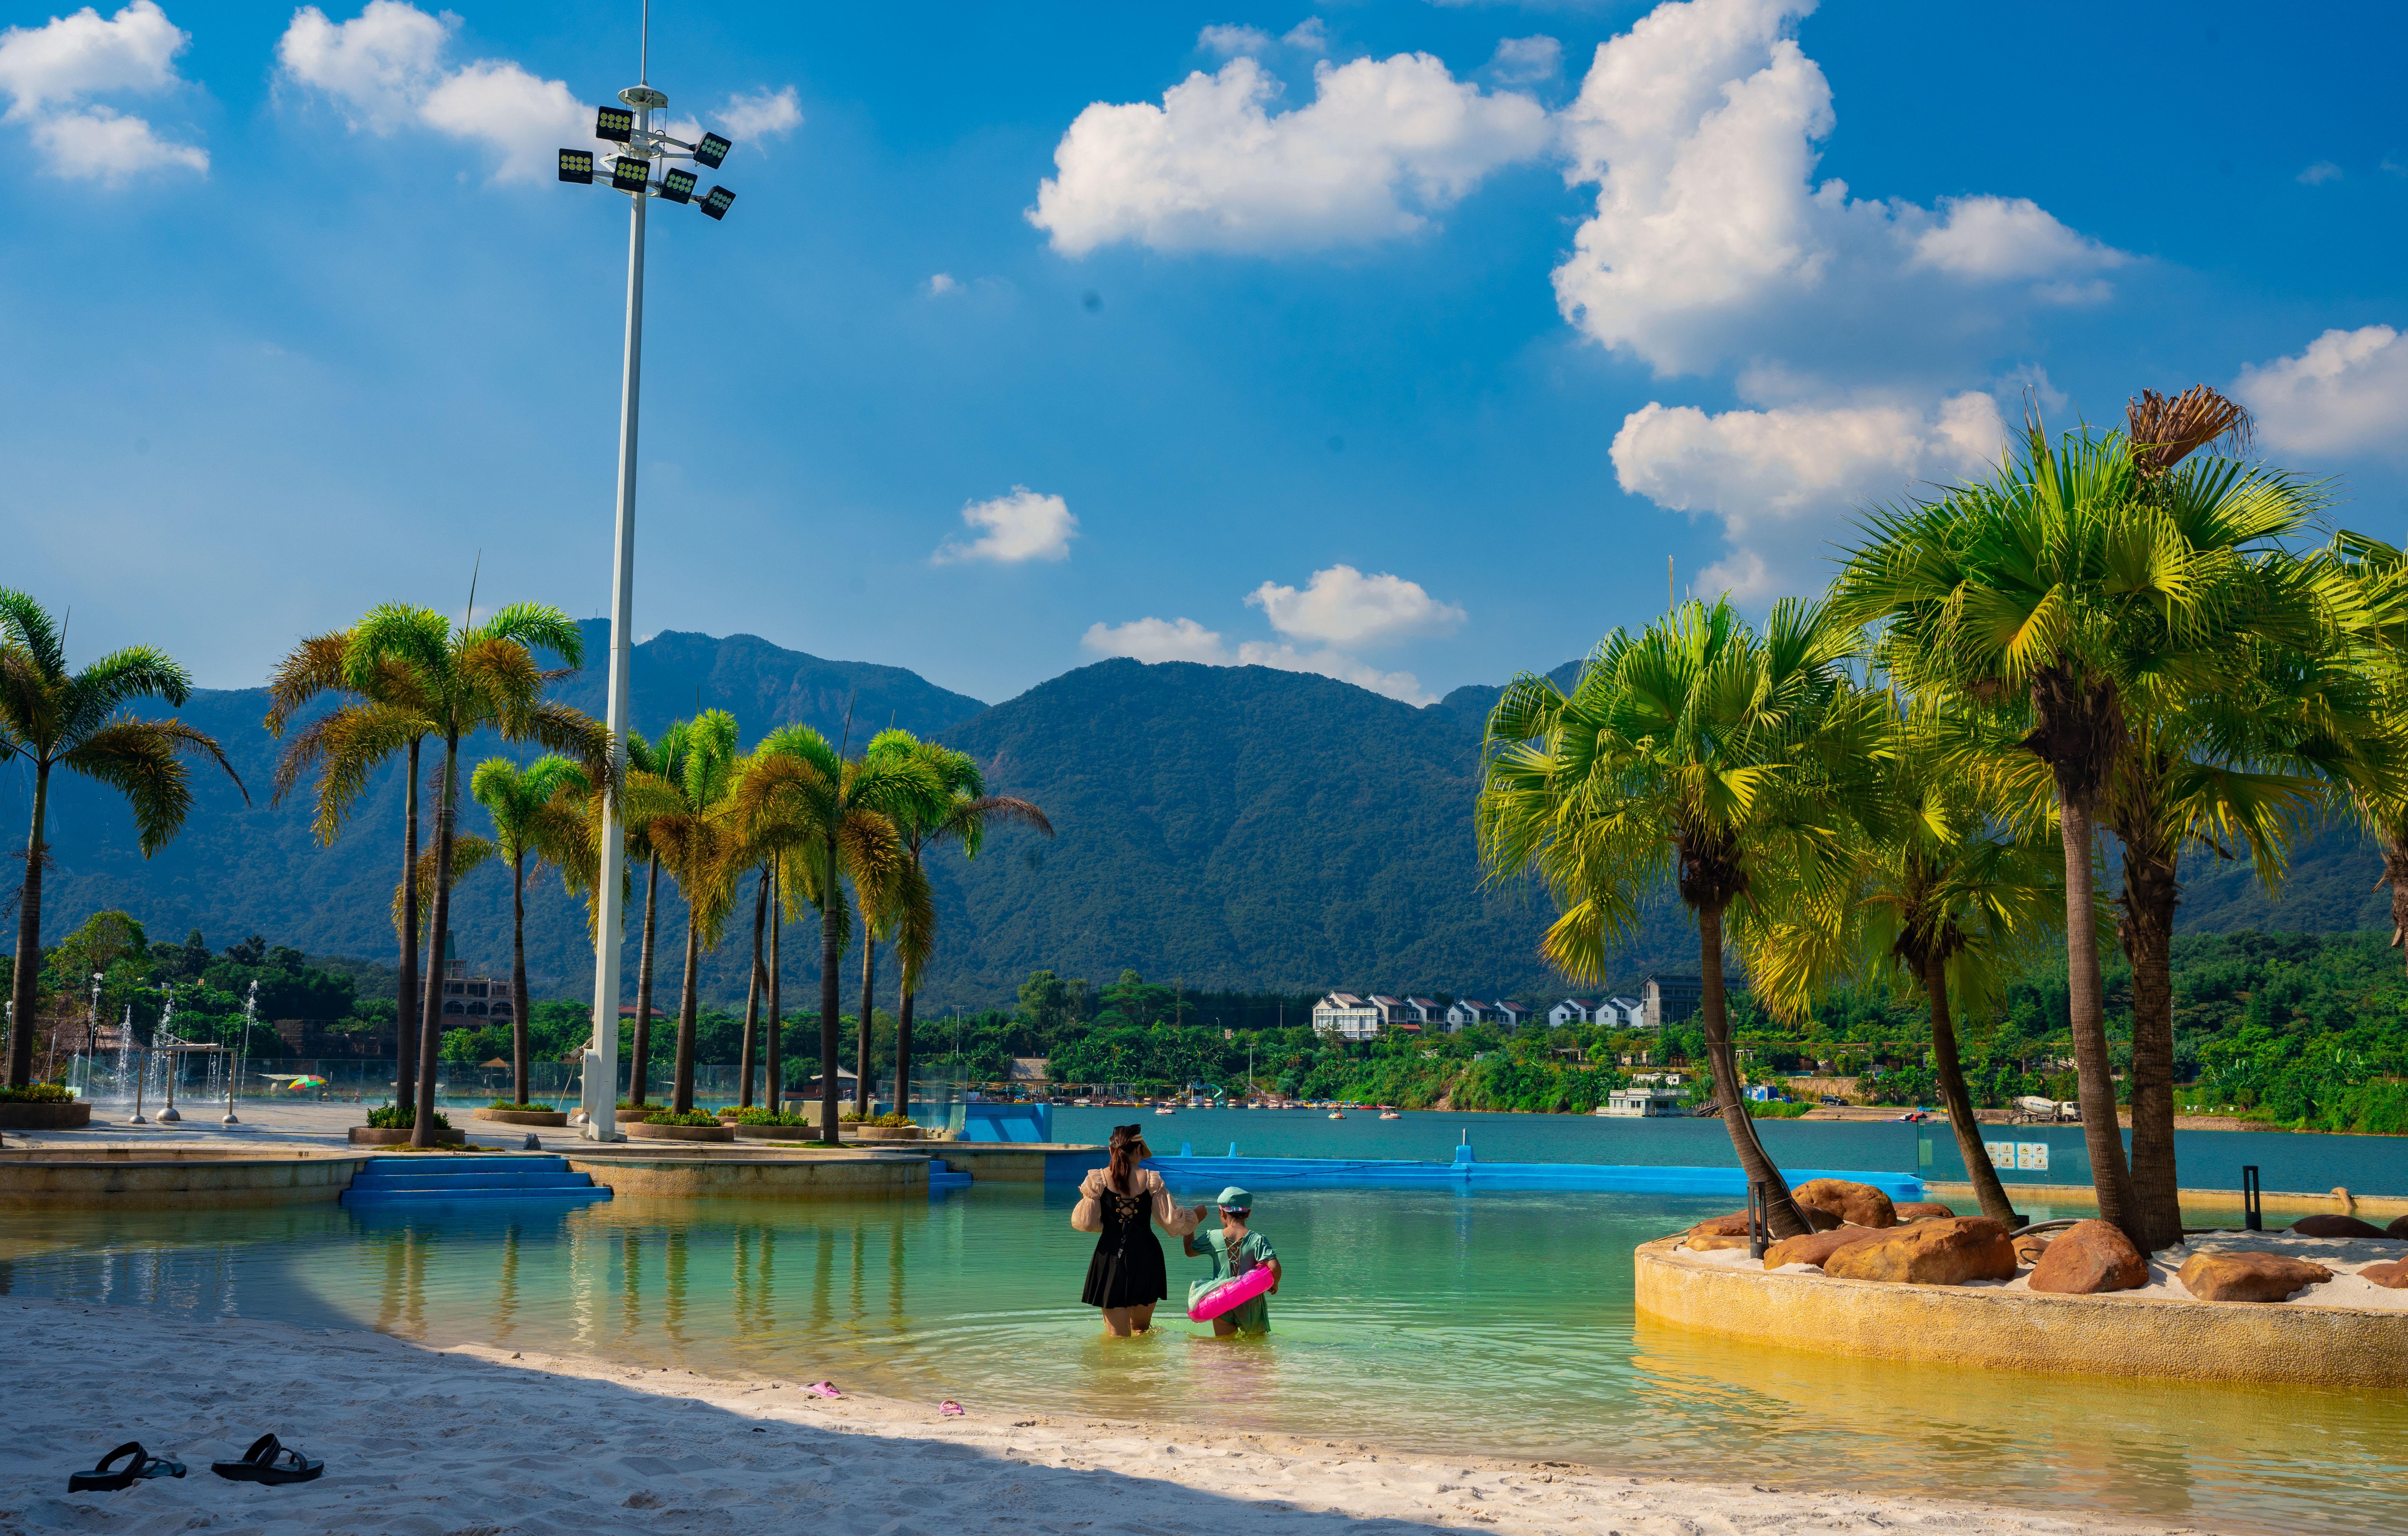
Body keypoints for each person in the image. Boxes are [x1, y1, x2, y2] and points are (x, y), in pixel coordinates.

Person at [1072, 1124, 1204, 1337]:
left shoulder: (1097, 1181)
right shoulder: (1152, 1180)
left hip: (1111, 1257)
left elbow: (1085, 1223)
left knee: (1117, 1338)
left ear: (1111, 1151)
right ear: (1139, 1150)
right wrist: (1196, 1215)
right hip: (1147, 1256)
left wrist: (1107, 1227)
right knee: (1142, 1330)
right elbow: (1171, 1222)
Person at [1184, 1185, 1280, 1336]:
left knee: (1226, 1347)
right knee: (1256, 1346)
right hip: (1251, 1304)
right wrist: (1274, 1284)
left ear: (1222, 1213)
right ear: (1248, 1213)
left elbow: (1189, 1251)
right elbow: (1274, 1267)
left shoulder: (1213, 1237)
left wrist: (1191, 1222)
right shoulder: (1258, 1239)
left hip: (1222, 1304)